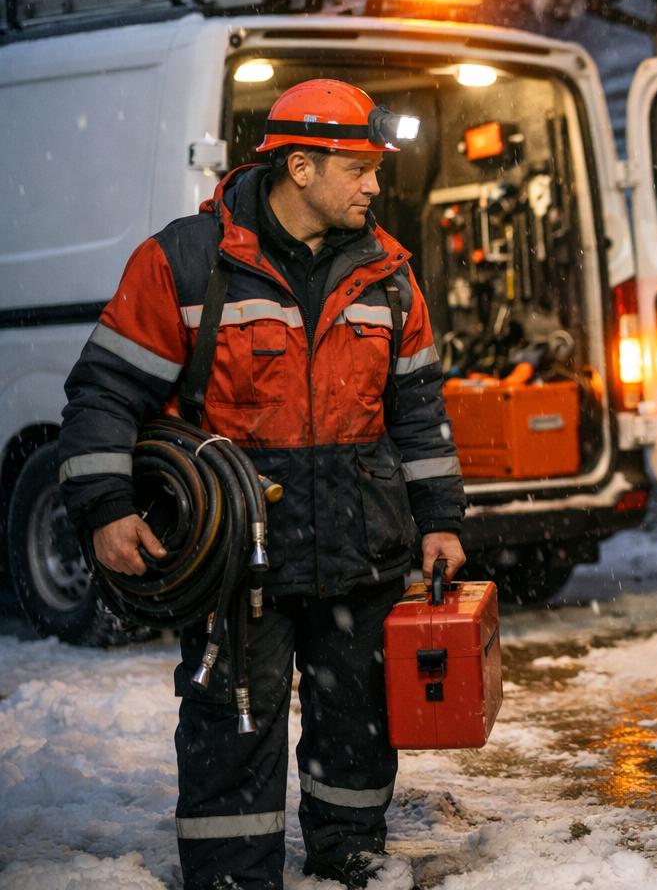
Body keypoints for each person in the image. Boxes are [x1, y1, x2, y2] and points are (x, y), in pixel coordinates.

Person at [56, 79, 467, 889]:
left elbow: (418, 409)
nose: (375, 187)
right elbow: (104, 393)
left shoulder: (390, 274)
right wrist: (105, 507)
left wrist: (440, 520)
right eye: (360, 169)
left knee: (357, 722)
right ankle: (233, 876)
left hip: (362, 549)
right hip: (236, 561)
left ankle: (351, 860)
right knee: (229, 728)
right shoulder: (184, 262)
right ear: (302, 168)